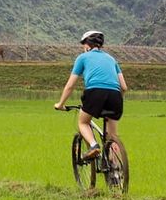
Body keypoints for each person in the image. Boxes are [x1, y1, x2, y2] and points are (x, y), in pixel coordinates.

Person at [54, 30, 127, 159]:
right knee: (112, 137)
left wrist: (60, 104)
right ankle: (115, 172)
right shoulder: (111, 59)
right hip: (115, 96)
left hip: (95, 93)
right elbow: (124, 87)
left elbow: (70, 85)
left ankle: (94, 146)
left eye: (83, 45)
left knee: (83, 122)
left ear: (87, 45)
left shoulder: (83, 58)